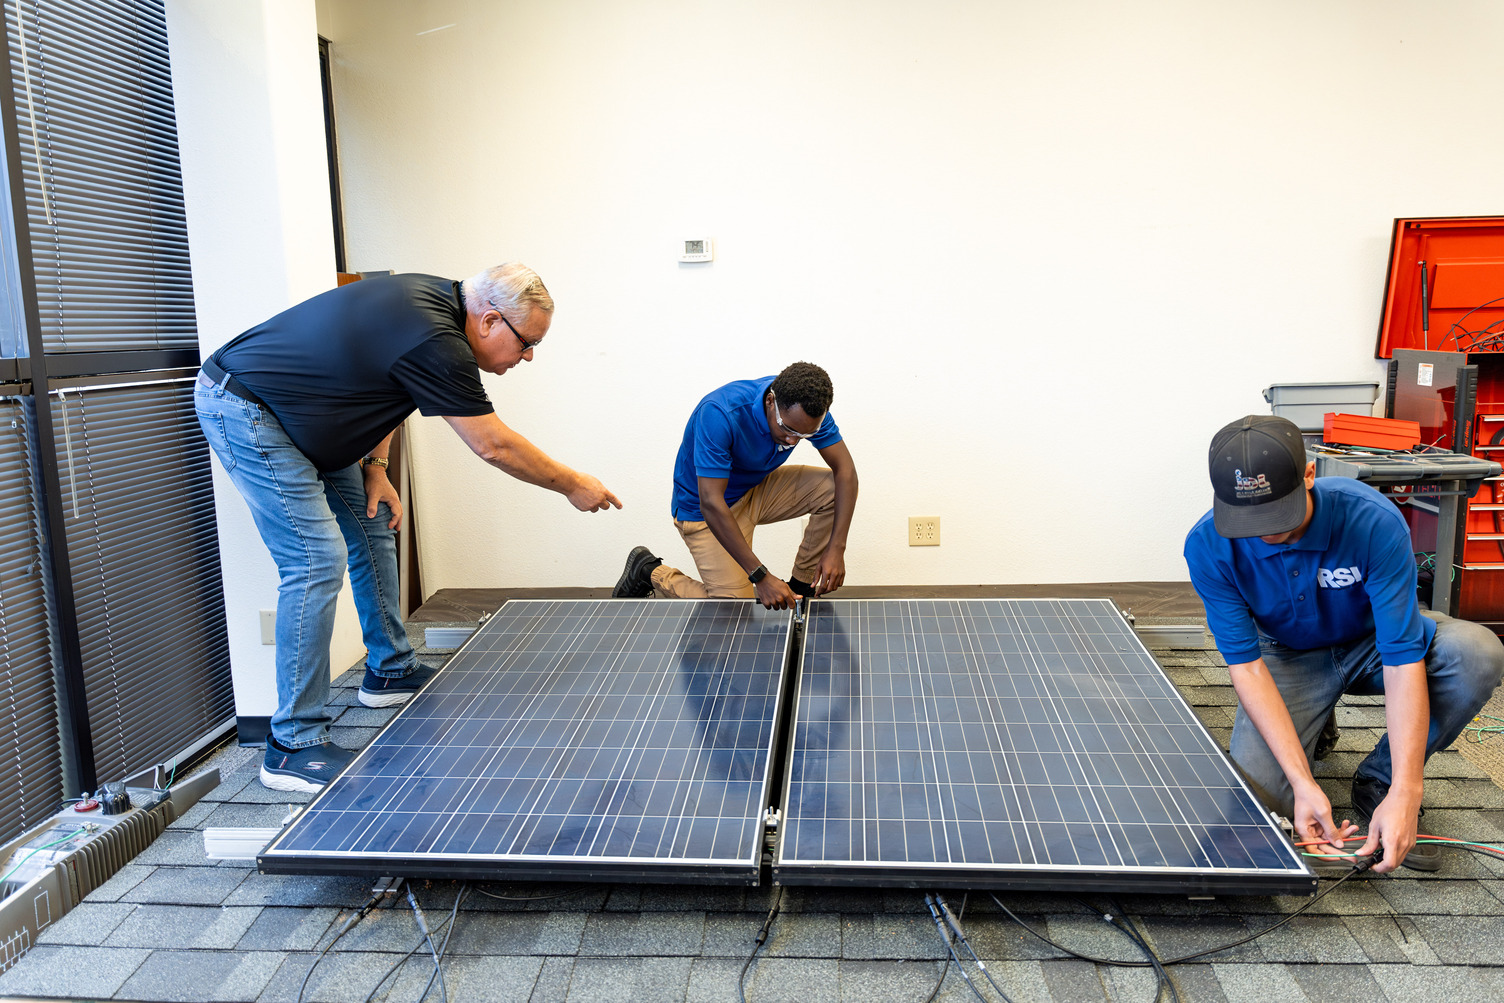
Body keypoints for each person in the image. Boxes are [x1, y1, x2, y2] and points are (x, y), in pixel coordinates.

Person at [196, 265, 621, 792]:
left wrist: (376, 468)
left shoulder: (437, 306)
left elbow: (386, 388)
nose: (528, 356)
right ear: (490, 320)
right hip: (251, 407)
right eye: (528, 342)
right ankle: (290, 744)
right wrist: (571, 484)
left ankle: (389, 670)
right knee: (314, 559)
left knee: (373, 526)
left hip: (307, 415)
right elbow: (493, 445)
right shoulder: (437, 339)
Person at [1184, 414, 1503, 873]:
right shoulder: (1208, 546)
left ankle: (1380, 780)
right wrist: (1302, 782)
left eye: (1278, 512)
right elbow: (1248, 667)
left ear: (1310, 473)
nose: (1266, 532)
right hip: (1285, 655)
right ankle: (1313, 726)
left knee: (1476, 652)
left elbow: (1401, 658)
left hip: (1372, 643)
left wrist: (1406, 792)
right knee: (1259, 807)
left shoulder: (1371, 520)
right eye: (1250, 519)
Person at [612, 362, 857, 610]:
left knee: (833, 488)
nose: (793, 440)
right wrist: (760, 576)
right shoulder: (720, 413)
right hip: (706, 512)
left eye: (804, 435)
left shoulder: (809, 408)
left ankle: (801, 591)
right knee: (735, 610)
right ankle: (649, 571)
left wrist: (836, 549)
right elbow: (710, 502)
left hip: (753, 489)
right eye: (787, 429)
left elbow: (846, 472)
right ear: (771, 401)